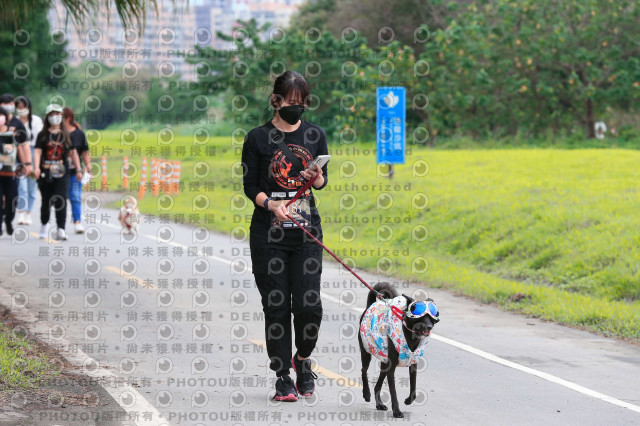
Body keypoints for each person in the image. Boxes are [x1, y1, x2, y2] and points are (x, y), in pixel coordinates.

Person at [241, 70, 329, 401]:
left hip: (306, 233)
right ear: (275, 101)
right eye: (290, 103)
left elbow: (321, 183)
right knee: (276, 305)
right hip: (269, 235)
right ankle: (282, 376)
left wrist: (317, 176)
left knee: (309, 304)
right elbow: (250, 186)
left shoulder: (315, 134)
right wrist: (271, 204)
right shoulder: (257, 138)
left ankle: (303, 360)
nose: (296, 108)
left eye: (301, 103)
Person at [33, 104, 82, 241]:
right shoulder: (42, 135)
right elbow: (37, 152)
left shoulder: (66, 135)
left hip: (62, 172)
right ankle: (44, 224)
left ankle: (61, 229)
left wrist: (78, 169)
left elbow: (73, 153)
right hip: (46, 172)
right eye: (52, 114)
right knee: (46, 201)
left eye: (58, 114)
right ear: (48, 117)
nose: (55, 117)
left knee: (61, 199)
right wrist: (36, 167)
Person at [0, 93, 31, 236]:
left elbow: (23, 146)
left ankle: (8, 220)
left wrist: (27, 164)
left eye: (10, 103)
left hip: (13, 169)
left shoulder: (17, 125)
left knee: (12, 198)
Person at [15, 96, 43, 226]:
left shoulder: (36, 121)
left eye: (23, 107)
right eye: (18, 107)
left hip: (33, 151)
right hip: (17, 152)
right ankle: (21, 212)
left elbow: (40, 142)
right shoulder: (14, 121)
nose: (21, 110)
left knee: (32, 186)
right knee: (22, 186)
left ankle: (28, 213)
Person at [62, 107, 90, 234]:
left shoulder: (79, 134)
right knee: (59, 198)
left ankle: (77, 222)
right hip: (59, 171)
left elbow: (84, 152)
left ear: (67, 118)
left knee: (75, 196)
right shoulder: (57, 133)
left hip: (74, 170)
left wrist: (88, 165)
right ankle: (59, 225)